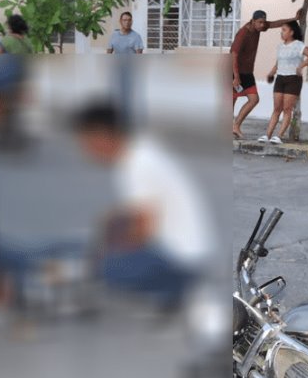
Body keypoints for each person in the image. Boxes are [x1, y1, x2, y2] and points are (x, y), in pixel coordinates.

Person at [74, 102, 216, 312]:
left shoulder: (136, 164)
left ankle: (172, 289)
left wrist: (107, 252)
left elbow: (143, 227)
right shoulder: (143, 150)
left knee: (101, 268)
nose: (85, 151)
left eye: (86, 143)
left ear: (102, 136)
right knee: (95, 245)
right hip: (191, 251)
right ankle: (172, 286)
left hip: (182, 259)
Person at [230, 7, 305, 139]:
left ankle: (235, 126)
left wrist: (294, 18)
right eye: (259, 22)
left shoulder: (260, 27)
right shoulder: (243, 33)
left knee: (254, 99)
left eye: (263, 22)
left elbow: (275, 23)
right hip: (234, 71)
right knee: (231, 100)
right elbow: (233, 54)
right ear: (252, 21)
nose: (262, 25)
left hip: (247, 73)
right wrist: (235, 76)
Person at [260, 21, 308, 144]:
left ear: (291, 32)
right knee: (276, 108)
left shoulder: (298, 45)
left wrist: (300, 66)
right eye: (282, 30)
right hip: (280, 78)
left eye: (284, 30)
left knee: (287, 109)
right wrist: (271, 73)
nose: (281, 32)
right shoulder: (280, 46)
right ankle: (267, 135)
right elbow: (278, 63)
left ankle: (279, 136)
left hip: (293, 79)